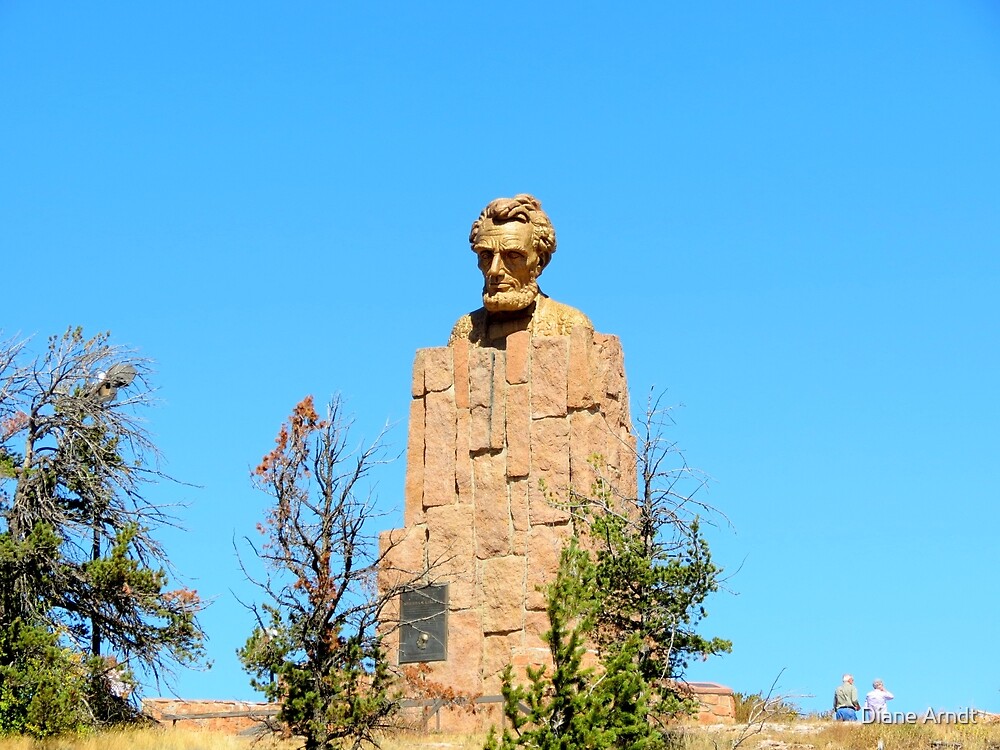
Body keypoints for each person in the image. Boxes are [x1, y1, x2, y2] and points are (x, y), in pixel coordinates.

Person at [449, 194, 593, 348]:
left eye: (512, 255)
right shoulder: (466, 331)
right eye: (486, 255)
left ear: (540, 261)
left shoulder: (568, 327)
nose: (494, 270)